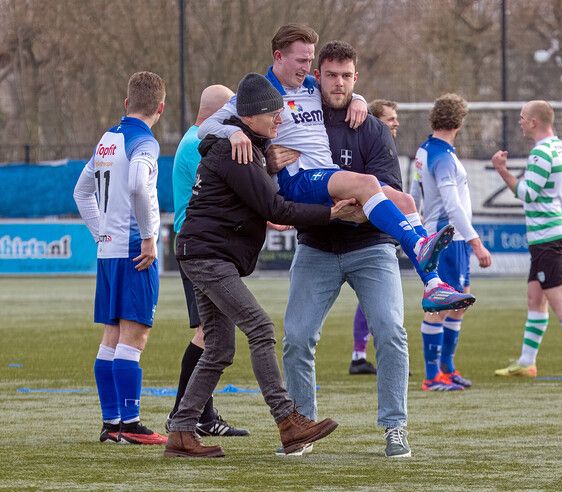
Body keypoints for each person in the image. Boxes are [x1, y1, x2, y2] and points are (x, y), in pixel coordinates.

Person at [198, 23, 474, 314]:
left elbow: (340, 86)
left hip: (325, 177)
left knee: (404, 201)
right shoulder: (261, 93)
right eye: (301, 60)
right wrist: (234, 132)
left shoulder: (310, 87)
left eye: (310, 60)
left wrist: (359, 99)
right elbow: (206, 126)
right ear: (279, 57)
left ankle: (433, 286)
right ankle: (418, 246)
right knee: (367, 184)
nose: (307, 66)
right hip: (299, 180)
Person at [164, 73, 361, 459]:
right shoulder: (237, 151)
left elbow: (259, 196)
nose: (280, 120)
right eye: (274, 114)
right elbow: (276, 208)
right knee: (260, 327)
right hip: (207, 256)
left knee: (219, 348)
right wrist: (332, 213)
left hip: (201, 252)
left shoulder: (247, 147)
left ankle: (182, 431)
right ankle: (288, 421)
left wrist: (267, 164)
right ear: (251, 116)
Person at [267, 40, 414, 458]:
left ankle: (394, 426)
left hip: (371, 249)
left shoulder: (371, 128)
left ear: (356, 78)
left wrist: (352, 212)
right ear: (317, 77)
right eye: (330, 74)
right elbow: (288, 193)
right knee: (296, 337)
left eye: (347, 76)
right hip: (316, 246)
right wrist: (272, 162)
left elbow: (388, 198)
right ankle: (302, 427)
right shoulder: (294, 113)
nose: (339, 83)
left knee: (391, 332)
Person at [73, 71, 168, 445]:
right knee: (135, 336)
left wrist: (102, 234)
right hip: (133, 252)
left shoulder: (107, 140)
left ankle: (111, 423)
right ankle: (131, 423)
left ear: (127, 103)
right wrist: (147, 238)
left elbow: (81, 192)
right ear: (160, 108)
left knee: (111, 338)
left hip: (109, 251)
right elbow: (136, 186)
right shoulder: (144, 141)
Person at [491, 100, 562, 379]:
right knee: (535, 297)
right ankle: (527, 361)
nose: (519, 122)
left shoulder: (541, 152)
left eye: (522, 117)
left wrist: (502, 171)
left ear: (534, 122)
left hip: (547, 235)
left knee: (559, 300)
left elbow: (528, 193)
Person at [166, 84, 249, 437]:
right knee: (208, 333)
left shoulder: (192, 140)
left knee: (210, 333)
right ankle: (184, 414)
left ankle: (200, 414)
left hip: (200, 244)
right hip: (199, 246)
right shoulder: (197, 145)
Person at [410, 94, 493, 391]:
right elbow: (452, 205)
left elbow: (413, 195)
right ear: (459, 122)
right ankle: (432, 377)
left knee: (460, 302)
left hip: (440, 235)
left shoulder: (424, 151)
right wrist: (476, 242)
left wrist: (417, 228)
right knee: (439, 306)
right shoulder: (443, 156)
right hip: (448, 238)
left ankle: (446, 368)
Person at [348, 99, 401, 376]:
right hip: (368, 235)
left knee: (376, 303)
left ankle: (367, 357)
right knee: (374, 301)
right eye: (390, 118)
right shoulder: (368, 146)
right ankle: (360, 356)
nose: (396, 123)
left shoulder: (389, 148)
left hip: (386, 229)